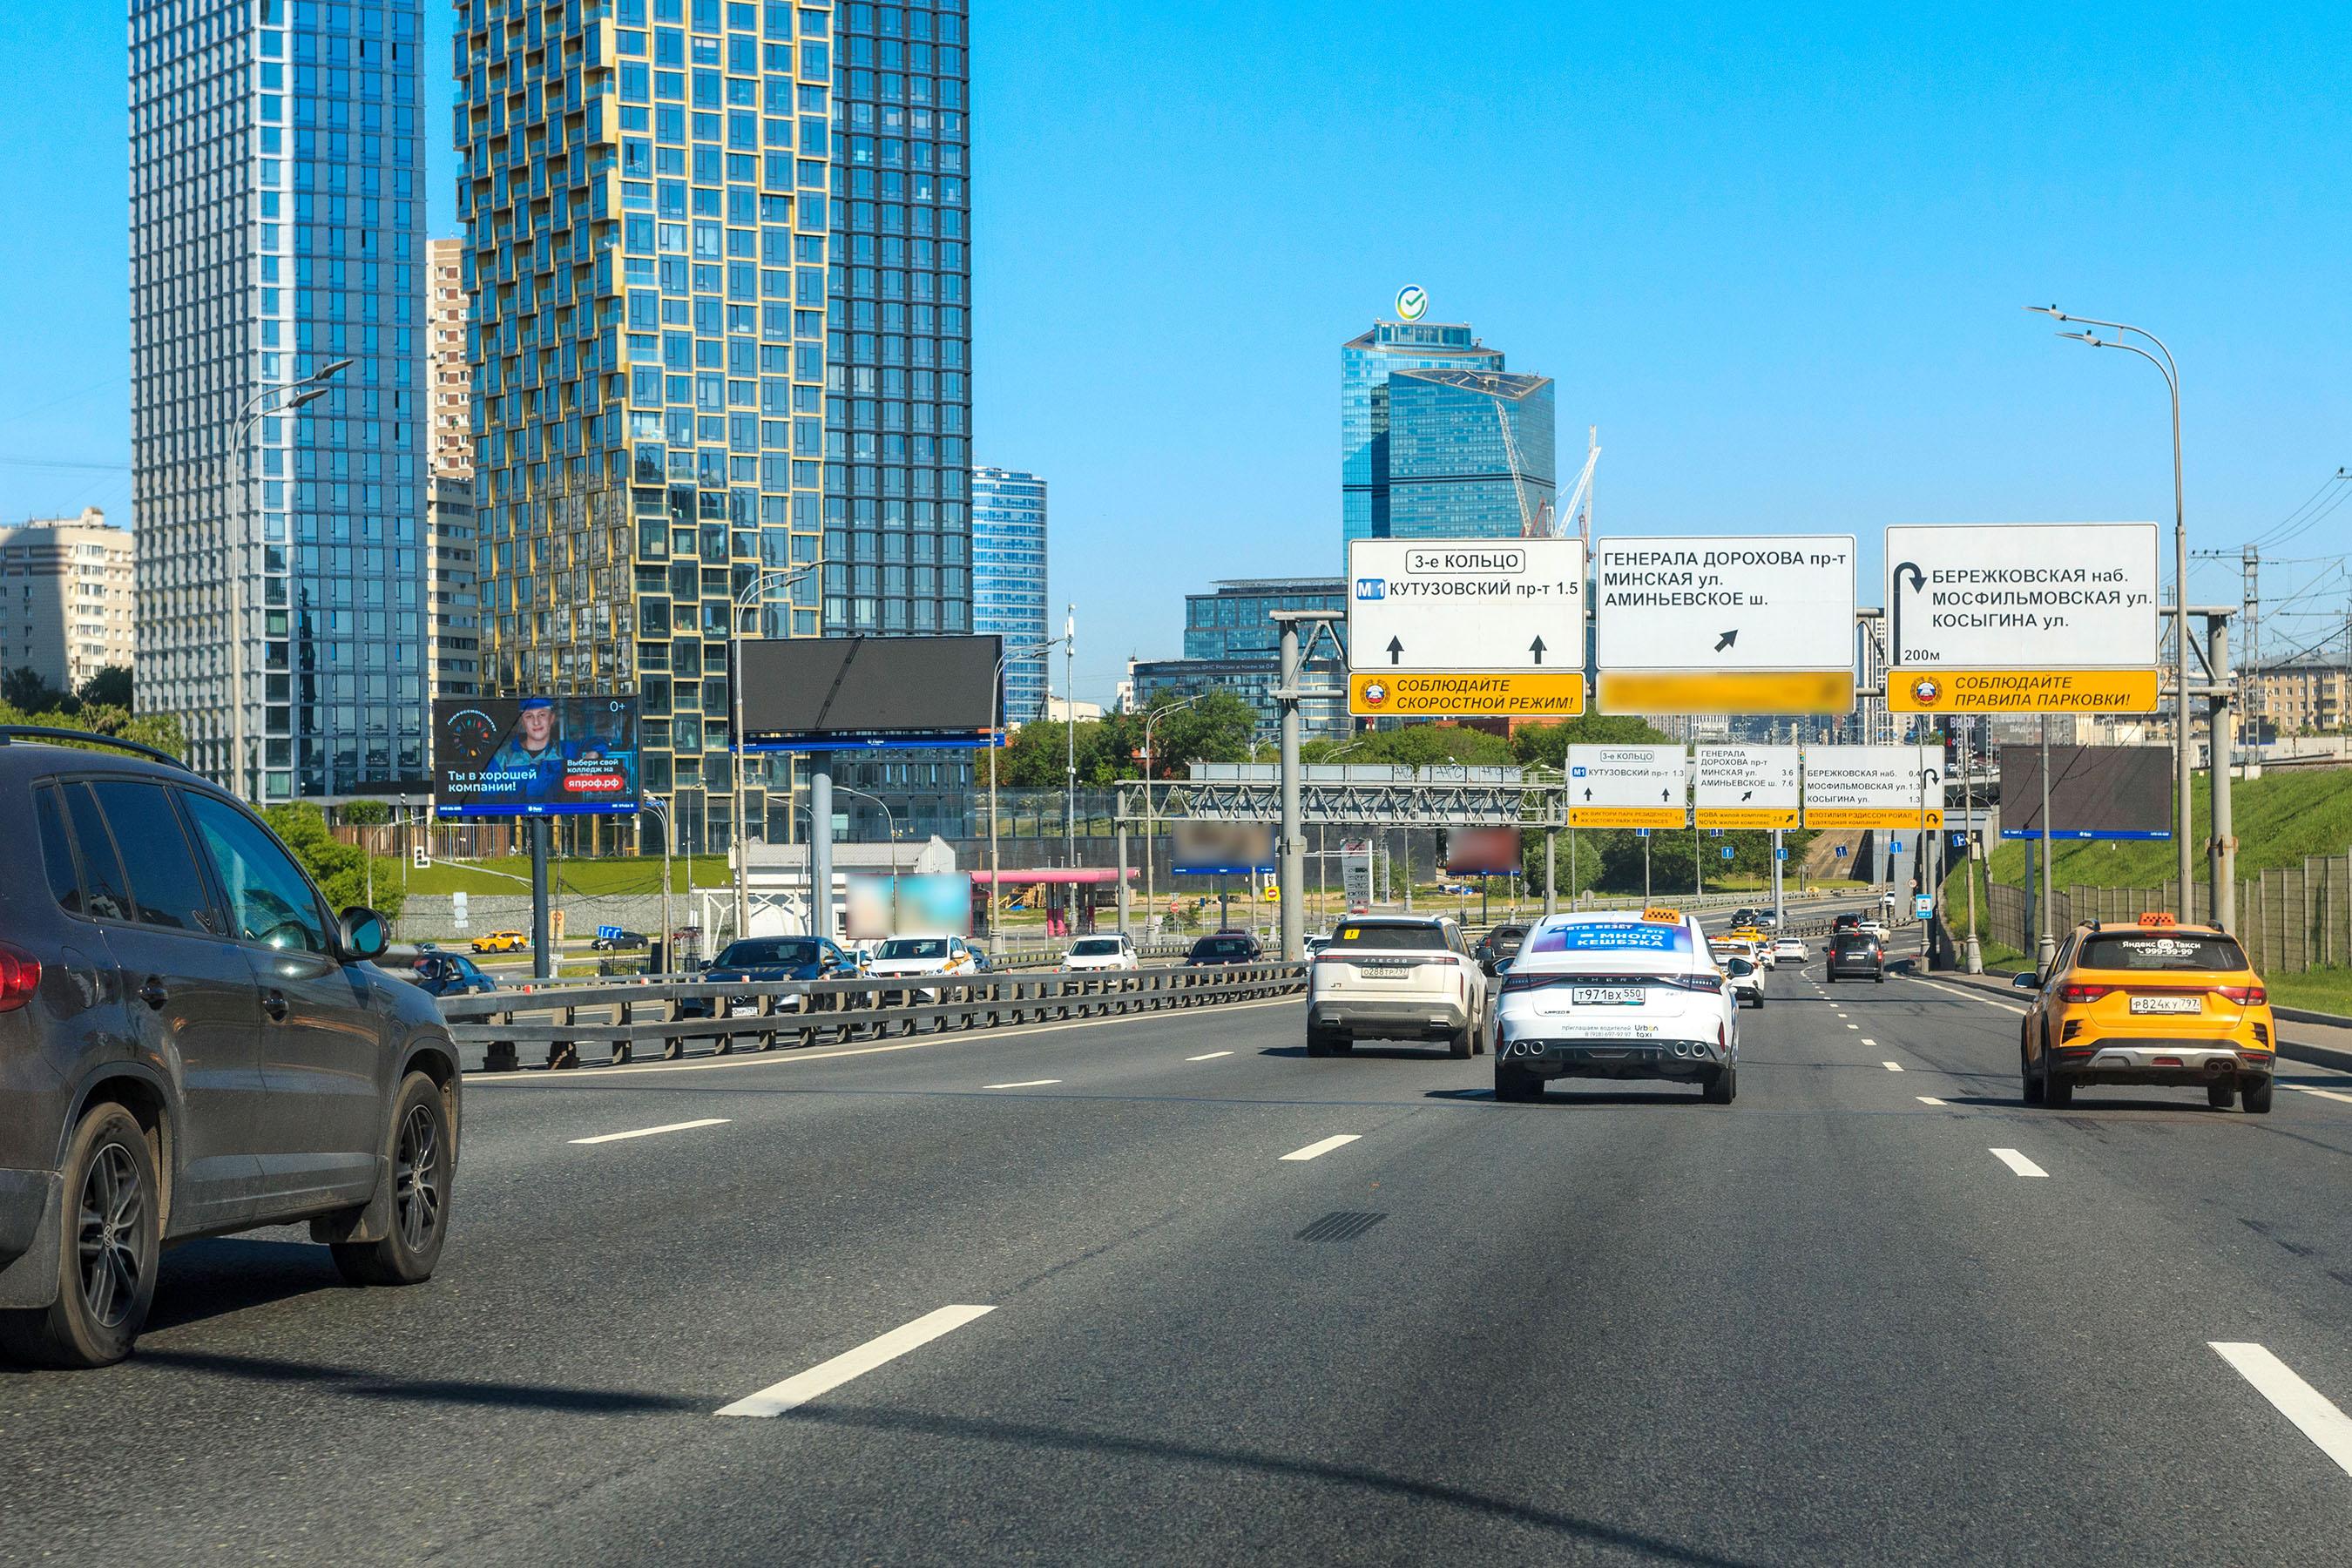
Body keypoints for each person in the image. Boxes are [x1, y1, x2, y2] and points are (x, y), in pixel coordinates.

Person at [487, 698, 568, 801]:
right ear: (522, 721)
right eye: (529, 716)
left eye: (542, 715)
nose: (536, 722)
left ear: (552, 718)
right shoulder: (502, 757)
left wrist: (588, 755)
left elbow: (589, 745)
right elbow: (488, 800)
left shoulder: (565, 751)